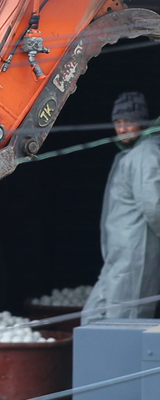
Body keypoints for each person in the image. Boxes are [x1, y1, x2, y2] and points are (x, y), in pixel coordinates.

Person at [82, 91, 160, 324]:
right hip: (122, 255)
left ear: (142, 122)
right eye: (118, 122)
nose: (123, 128)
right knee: (94, 317)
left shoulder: (145, 154)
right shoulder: (133, 153)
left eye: (129, 122)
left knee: (123, 321)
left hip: (135, 254)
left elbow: (153, 205)